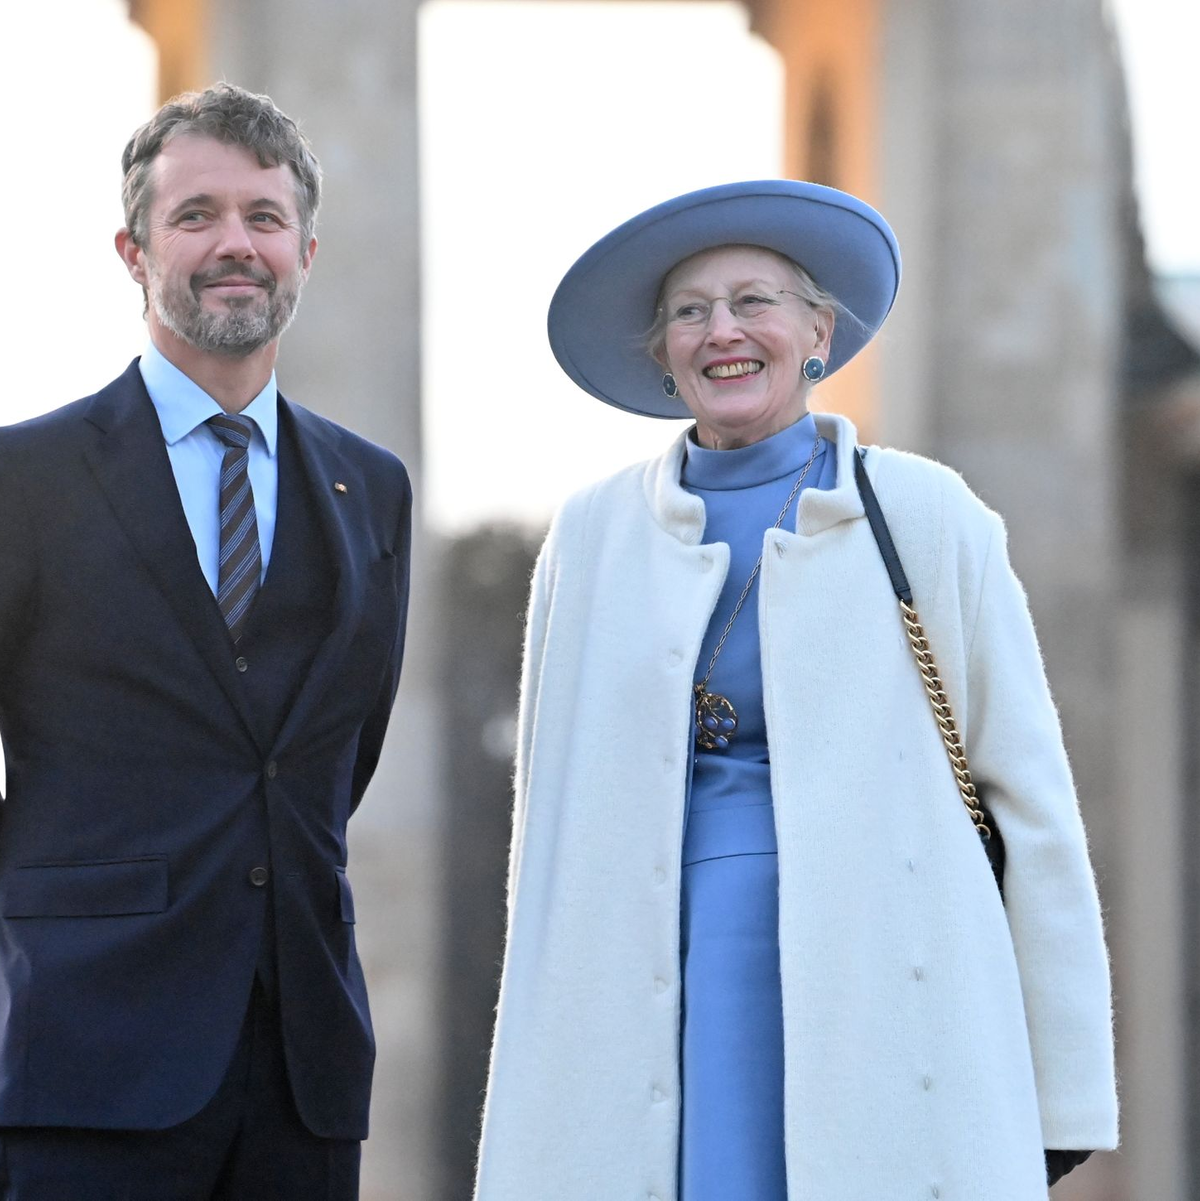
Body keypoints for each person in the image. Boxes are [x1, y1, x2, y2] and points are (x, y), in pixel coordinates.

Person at [474, 180, 1118, 1199]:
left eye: (753, 301)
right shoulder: (592, 536)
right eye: (690, 311)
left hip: (886, 986)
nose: (721, 331)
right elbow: (545, 829)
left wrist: (1065, 1088)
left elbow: (1031, 803)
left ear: (819, 332)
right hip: (656, 972)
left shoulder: (927, 514)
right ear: (662, 353)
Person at [0, 84, 411, 1199]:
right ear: (133, 251)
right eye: (197, 215)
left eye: (264, 218)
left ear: (306, 252)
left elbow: (338, 754)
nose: (237, 244)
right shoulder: (23, 479)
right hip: (82, 1055)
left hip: (304, 1067)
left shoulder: (371, 487)